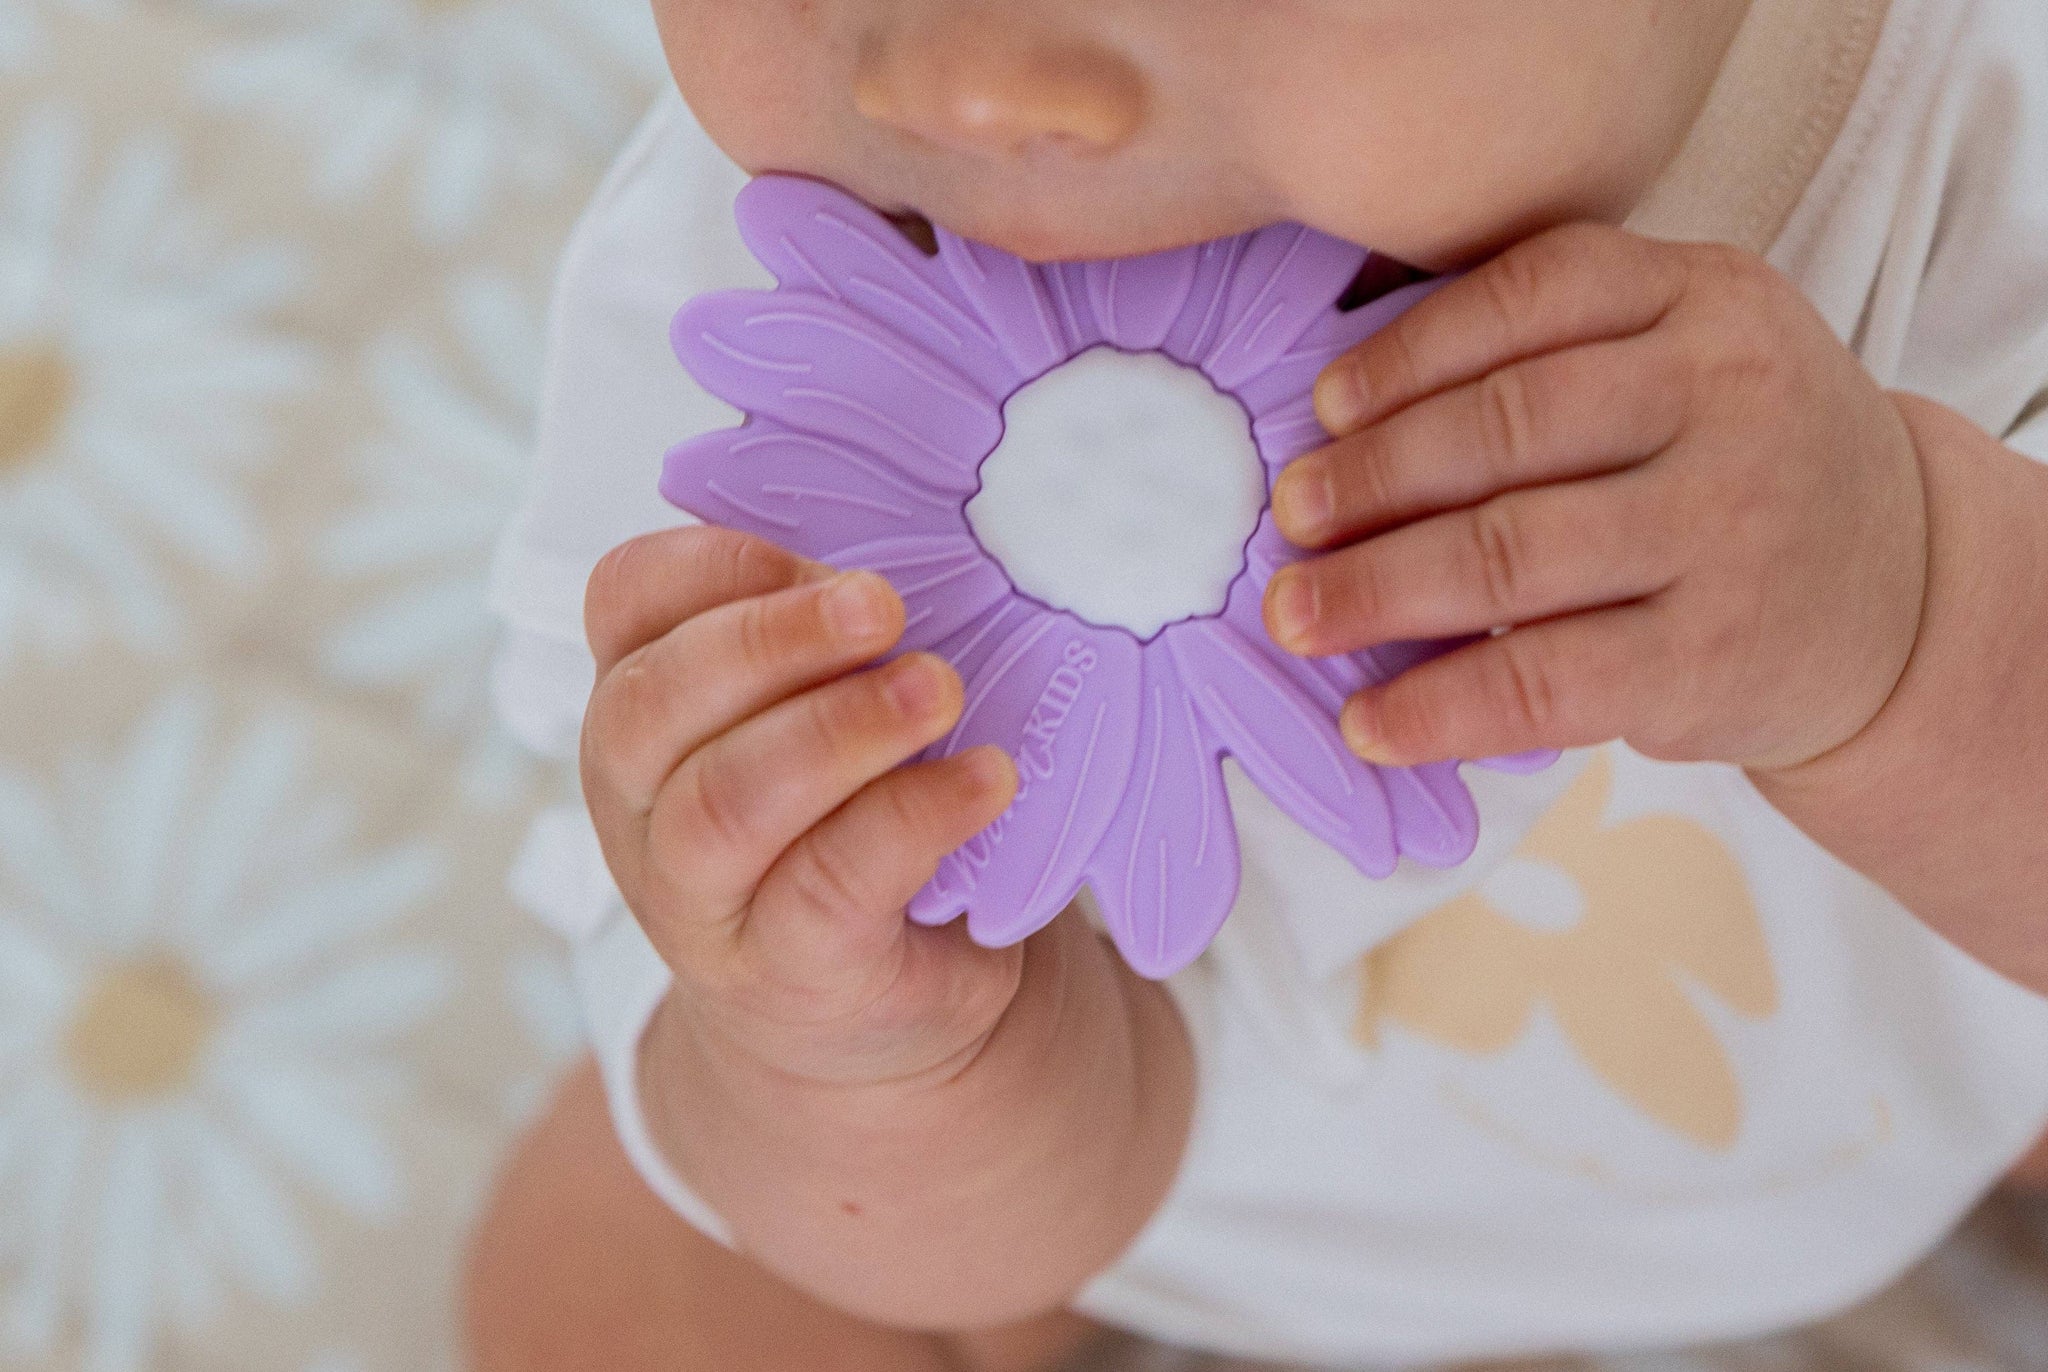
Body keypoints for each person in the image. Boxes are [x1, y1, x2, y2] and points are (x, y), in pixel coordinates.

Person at [466, 1, 2048, 1368]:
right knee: (613, 1290)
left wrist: (1914, 610)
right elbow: (1002, 1168)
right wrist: (879, 1047)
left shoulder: (1982, 148)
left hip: (1922, 1060)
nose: (970, 85)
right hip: (1196, 1189)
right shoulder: (772, 333)